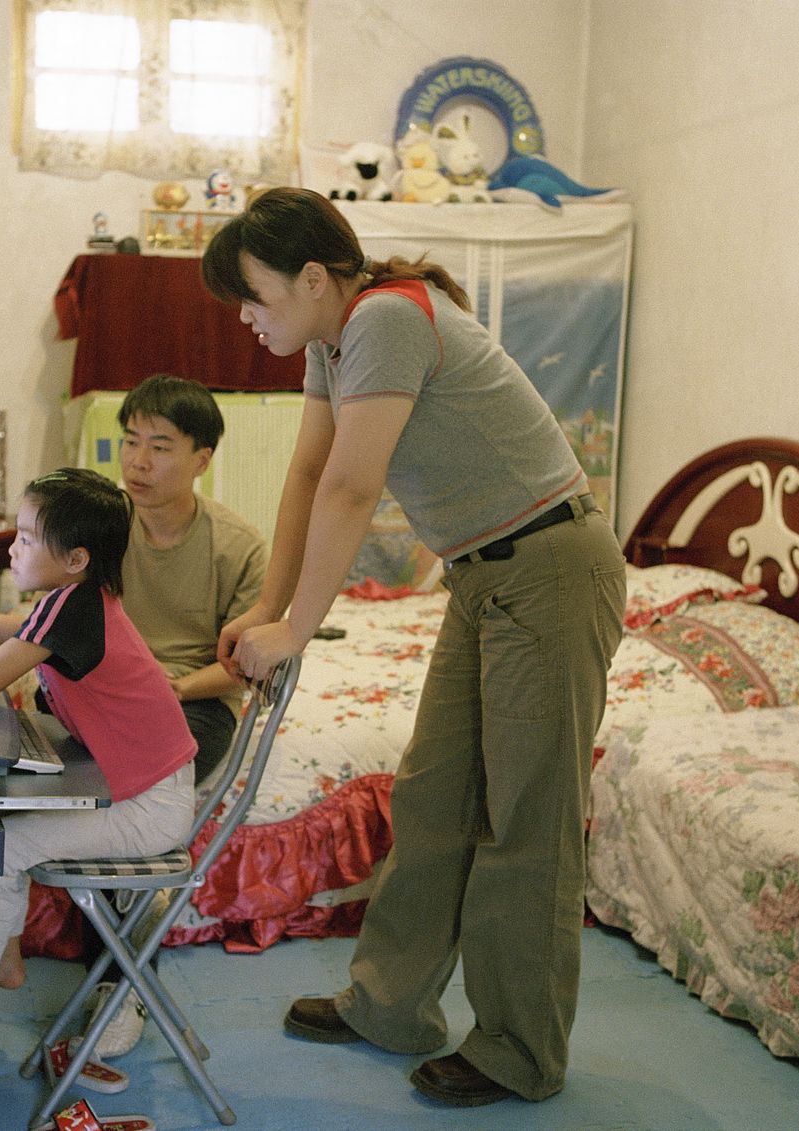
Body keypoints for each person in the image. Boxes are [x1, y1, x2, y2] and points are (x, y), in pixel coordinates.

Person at [200, 187, 626, 1108]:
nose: (244, 317)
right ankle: (390, 1004)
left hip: (551, 570)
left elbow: (354, 489)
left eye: (253, 295)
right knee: (433, 797)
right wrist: (267, 606)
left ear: (314, 278)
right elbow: (309, 471)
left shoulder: (388, 318)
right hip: (482, 577)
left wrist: (297, 629)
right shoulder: (333, 340)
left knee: (525, 821)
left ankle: (518, 1049)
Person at [0, 468, 197, 1017]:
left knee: (4, 845)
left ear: (76, 558)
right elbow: (24, 629)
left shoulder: (73, 607)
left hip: (151, 807)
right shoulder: (77, 600)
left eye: (27, 539)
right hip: (141, 792)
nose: (13, 549)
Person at [115, 374, 268, 782]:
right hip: (109, 685)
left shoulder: (239, 546)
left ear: (201, 461)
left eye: (160, 447)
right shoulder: (104, 526)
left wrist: (177, 688)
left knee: (164, 759)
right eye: (130, 441)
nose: (138, 461)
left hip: (196, 699)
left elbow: (246, 665)